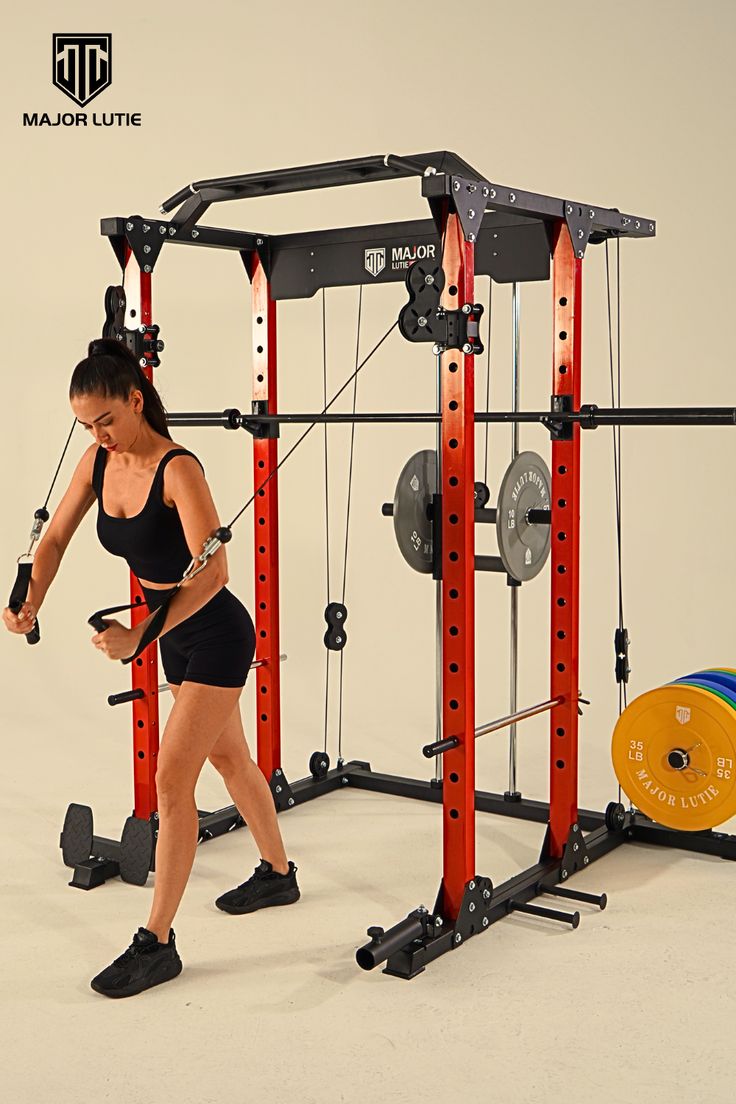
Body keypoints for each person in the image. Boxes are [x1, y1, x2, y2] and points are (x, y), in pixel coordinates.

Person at [2, 337, 299, 998]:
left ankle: (157, 942)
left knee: (172, 782)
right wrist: (29, 598)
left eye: (107, 419)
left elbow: (215, 571)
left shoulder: (178, 470)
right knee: (230, 763)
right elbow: (53, 539)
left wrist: (139, 632)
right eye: (86, 424)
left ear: (137, 401)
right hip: (175, 640)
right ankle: (279, 872)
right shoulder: (97, 464)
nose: (98, 434)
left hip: (217, 634)